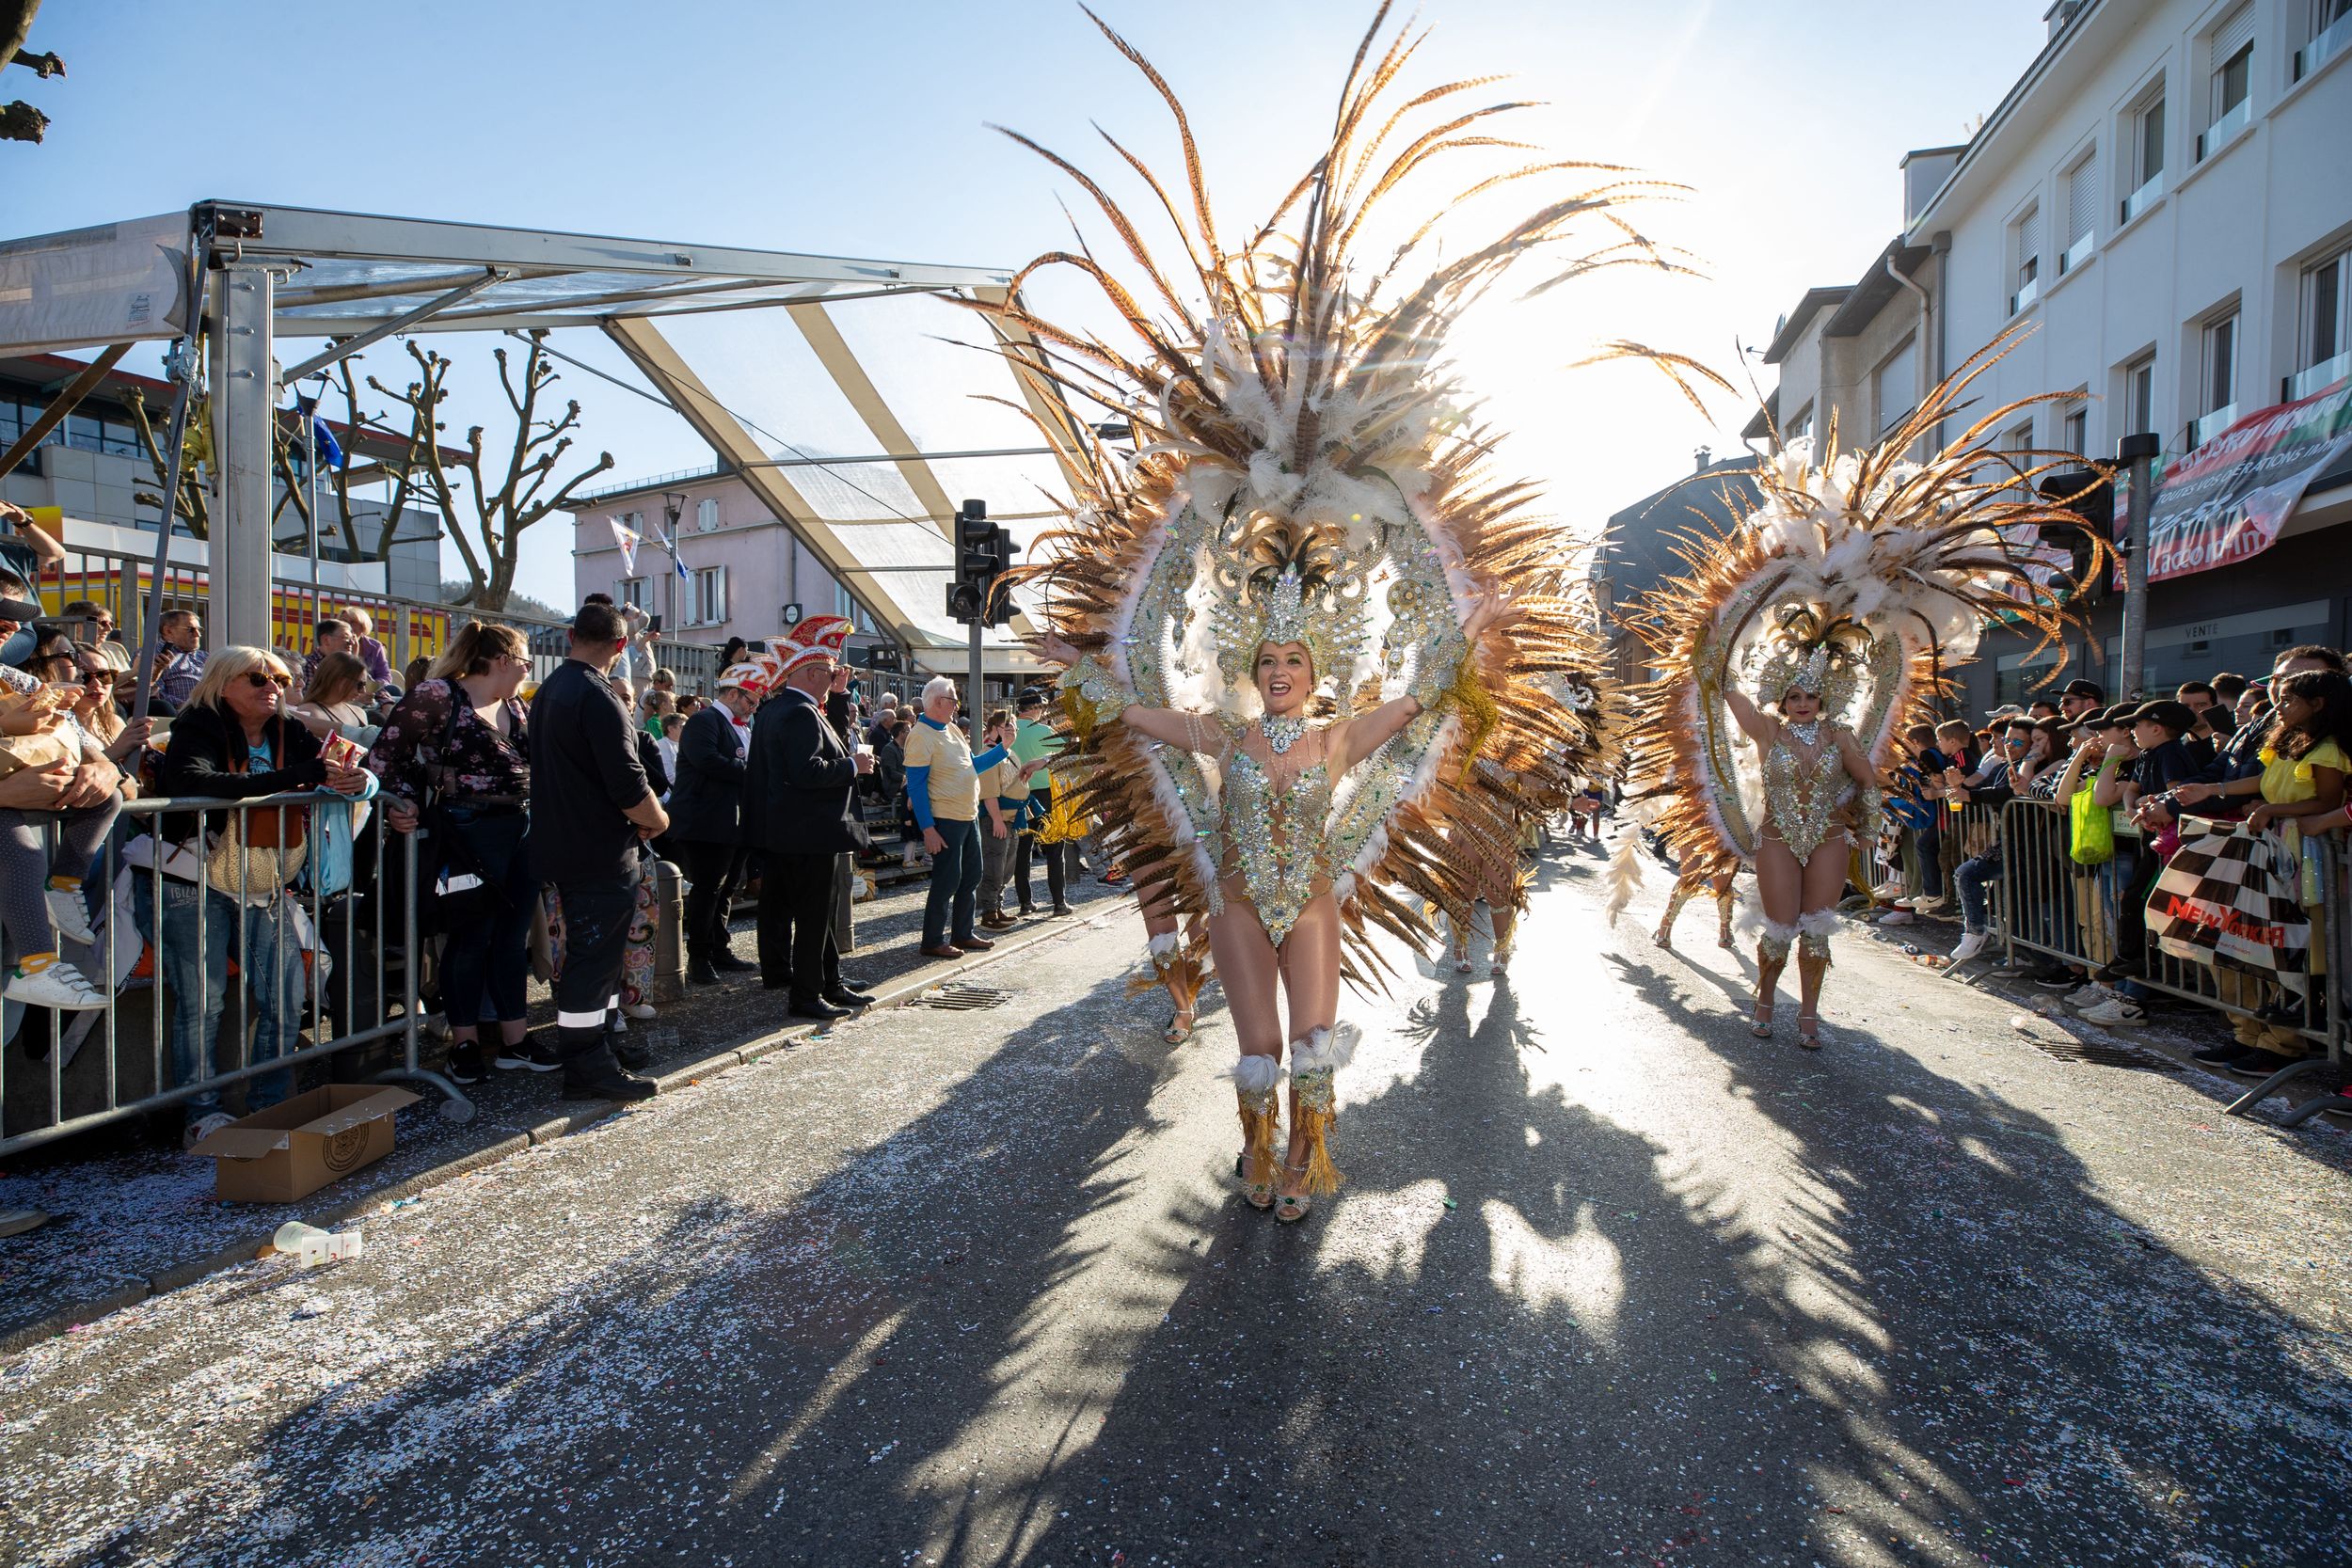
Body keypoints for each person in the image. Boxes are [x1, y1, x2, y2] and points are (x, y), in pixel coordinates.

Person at [139, 645, 375, 1141]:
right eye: (258, 678)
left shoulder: (289, 729)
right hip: (192, 876)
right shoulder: (199, 723)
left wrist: (363, 781)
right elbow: (190, 781)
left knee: (286, 993)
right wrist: (292, 778)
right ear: (223, 682)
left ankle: (272, 1105)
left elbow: (347, 770)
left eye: (282, 679)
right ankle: (202, 1114)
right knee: (202, 1002)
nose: (275, 687)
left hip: (262, 877)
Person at [370, 623, 537, 1085]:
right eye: (525, 662)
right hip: (466, 828)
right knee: (470, 937)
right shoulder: (438, 695)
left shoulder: (514, 705)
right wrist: (401, 804)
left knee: (511, 937)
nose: (527, 671)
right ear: (503, 660)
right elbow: (385, 756)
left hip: (520, 826)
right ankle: (463, 1044)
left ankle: (514, 1042)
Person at [527, 602, 667, 1101]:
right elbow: (627, 782)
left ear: (570, 636)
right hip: (598, 849)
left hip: (566, 842)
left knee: (600, 959)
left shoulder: (549, 691)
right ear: (622, 645)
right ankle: (586, 1063)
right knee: (593, 959)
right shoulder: (596, 695)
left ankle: (599, 1044)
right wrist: (658, 820)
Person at [742, 615, 876, 1018]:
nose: (835, 676)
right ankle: (806, 995)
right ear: (815, 674)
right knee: (815, 917)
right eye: (831, 671)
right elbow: (807, 772)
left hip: (789, 831)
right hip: (808, 832)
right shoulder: (799, 713)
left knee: (816, 914)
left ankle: (828, 983)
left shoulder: (776, 710)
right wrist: (853, 766)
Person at [0, 594, 128, 1010]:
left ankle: (60, 896)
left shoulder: (12, 678)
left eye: (15, 618)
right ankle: (37, 964)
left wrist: (107, 769)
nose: (11, 627)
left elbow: (102, 760)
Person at [904, 675, 1020, 960]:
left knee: (971, 877)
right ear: (937, 702)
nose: (957, 705)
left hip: (966, 816)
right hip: (945, 818)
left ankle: (962, 933)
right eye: (953, 700)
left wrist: (1003, 748)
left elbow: (974, 765)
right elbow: (916, 786)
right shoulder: (920, 734)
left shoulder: (952, 729)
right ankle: (932, 940)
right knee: (947, 881)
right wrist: (928, 828)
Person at [669, 661, 762, 983]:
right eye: (751, 701)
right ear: (734, 693)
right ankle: (699, 957)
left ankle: (719, 948)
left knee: (726, 890)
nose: (754, 707)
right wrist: (753, 773)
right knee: (707, 890)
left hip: (733, 821)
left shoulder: (743, 725)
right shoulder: (705, 721)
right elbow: (707, 760)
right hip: (705, 821)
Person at [1010, 688, 1074, 916]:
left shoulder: (1009, 731)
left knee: (1023, 851)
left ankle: (1025, 903)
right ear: (1036, 708)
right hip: (1045, 794)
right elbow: (1069, 753)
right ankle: (1059, 903)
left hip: (1017, 795)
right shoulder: (1043, 731)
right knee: (1054, 849)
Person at [286, 650, 380, 749]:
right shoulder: (309, 712)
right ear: (339, 681)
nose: (363, 691)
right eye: (360, 684)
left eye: (365, 685)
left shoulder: (359, 712)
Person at [150, 608, 207, 709]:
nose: (198, 634)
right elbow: (155, 692)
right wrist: (188, 706)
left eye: (199, 629)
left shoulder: (205, 657)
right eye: (191, 629)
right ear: (168, 631)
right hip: (180, 714)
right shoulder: (151, 656)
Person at [339, 606, 395, 688]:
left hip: (372, 690)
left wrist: (372, 687)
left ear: (363, 627)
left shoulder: (375, 646)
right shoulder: (336, 643)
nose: (347, 625)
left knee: (395, 690)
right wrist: (354, 653)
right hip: (346, 689)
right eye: (344, 622)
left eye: (352, 622)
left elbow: (385, 676)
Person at [300, 615, 354, 691]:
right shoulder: (307, 665)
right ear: (326, 640)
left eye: (352, 639)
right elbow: (308, 696)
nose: (352, 642)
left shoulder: (352, 665)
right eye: (346, 638)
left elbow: (374, 689)